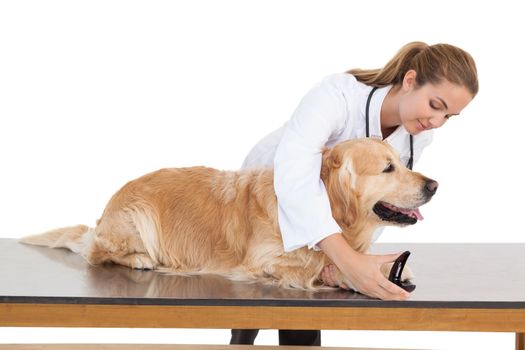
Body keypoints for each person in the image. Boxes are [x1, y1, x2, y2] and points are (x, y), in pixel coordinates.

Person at [230, 41, 479, 346]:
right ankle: (240, 338)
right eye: (435, 106)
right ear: (410, 81)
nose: (436, 122)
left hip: (326, 224)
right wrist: (345, 259)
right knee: (257, 299)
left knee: (306, 305)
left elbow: (373, 203)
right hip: (268, 200)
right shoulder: (337, 96)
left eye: (448, 117)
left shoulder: (418, 136)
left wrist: (348, 260)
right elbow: (295, 177)